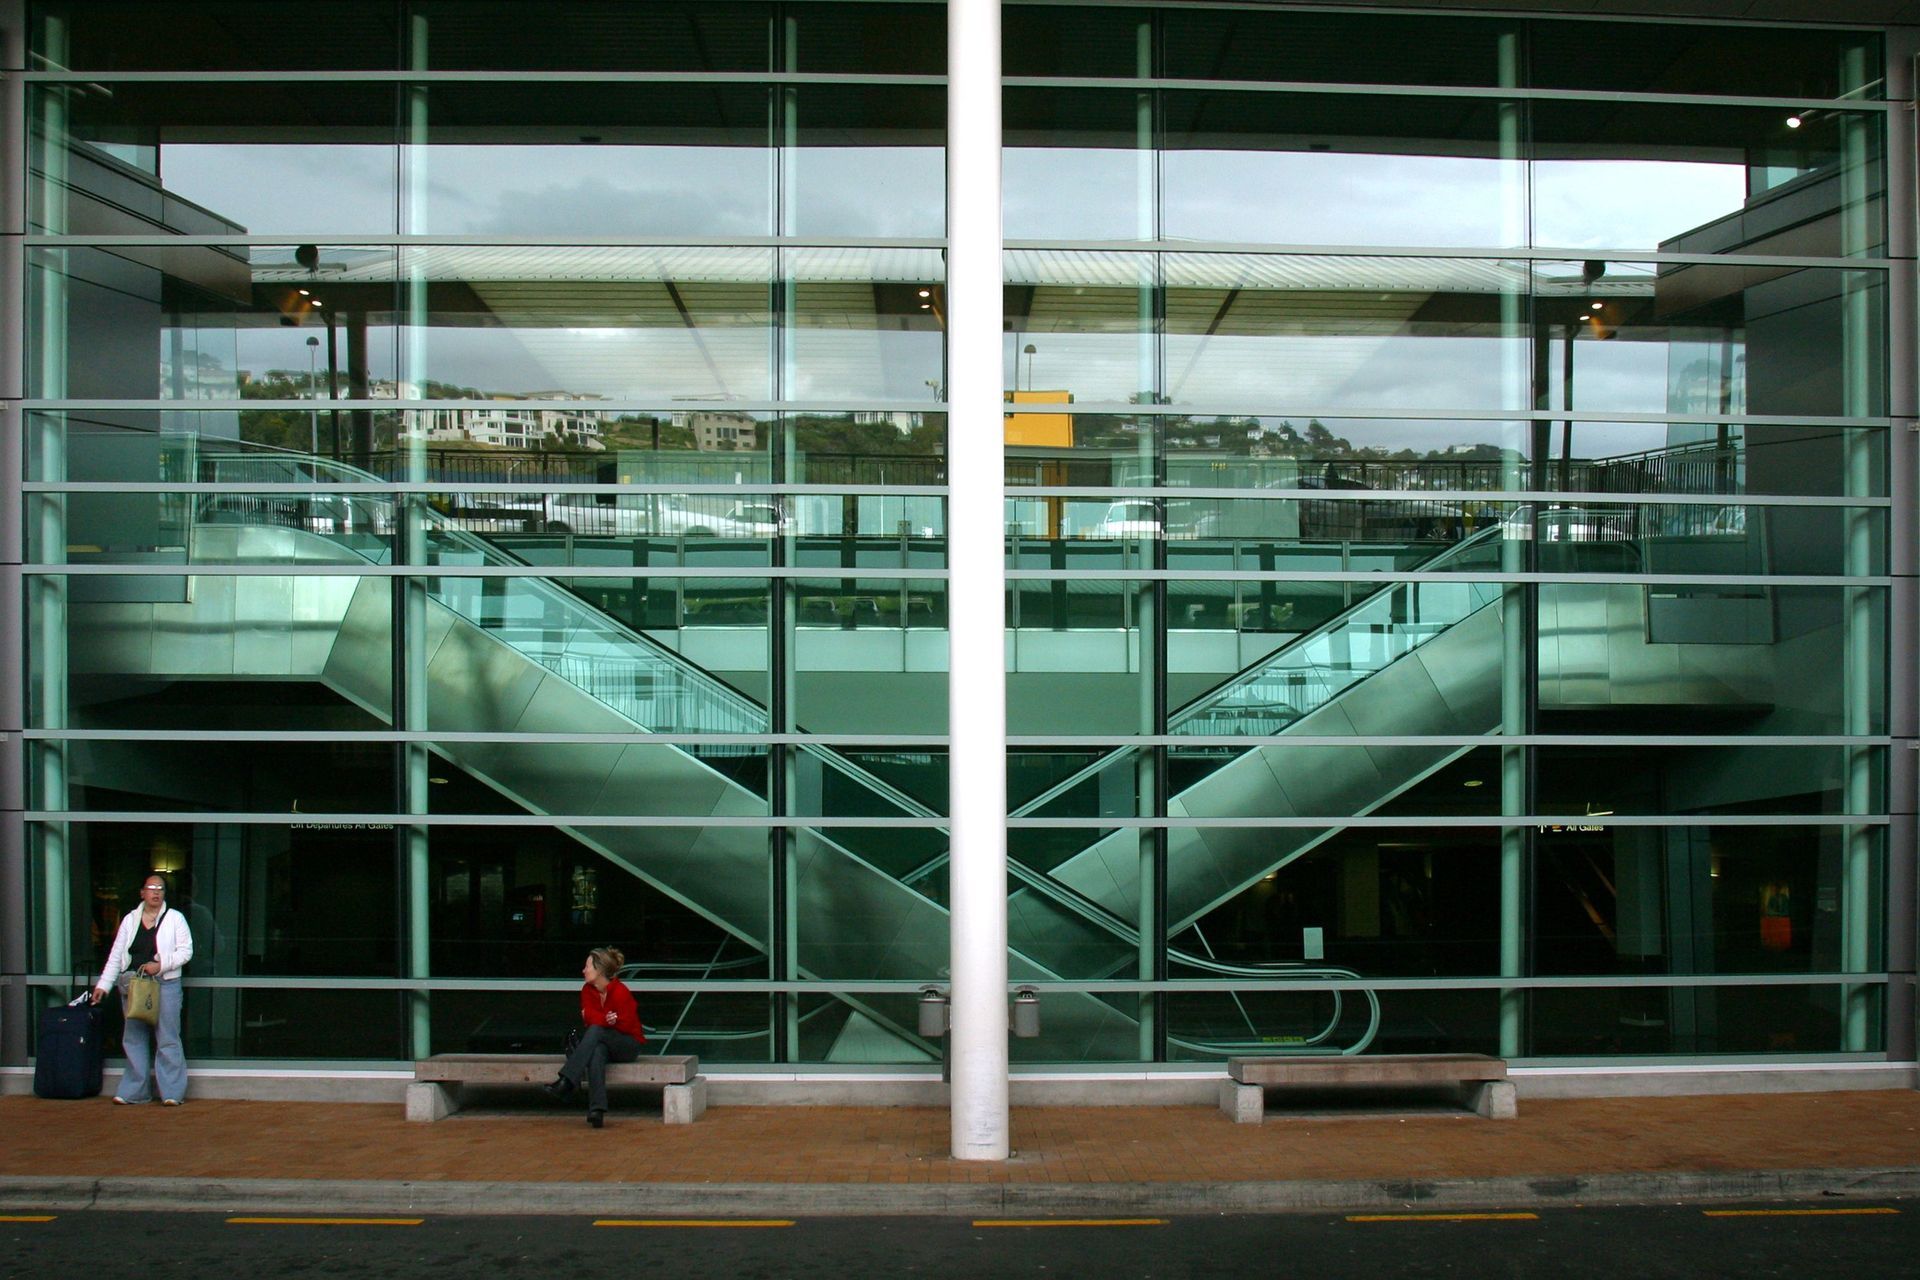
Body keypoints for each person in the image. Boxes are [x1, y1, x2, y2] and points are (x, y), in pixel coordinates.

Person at [90, 872, 194, 1106]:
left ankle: (171, 1093)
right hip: (134, 984)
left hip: (165, 983)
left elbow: (186, 952)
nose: (156, 892)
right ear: (142, 892)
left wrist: (161, 964)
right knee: (134, 1037)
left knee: (167, 1037)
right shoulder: (130, 919)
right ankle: (134, 1091)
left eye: (161, 888)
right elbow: (116, 956)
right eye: (152, 887)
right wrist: (104, 985)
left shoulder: (175, 918)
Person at [544, 947, 645, 1128]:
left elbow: (629, 1025)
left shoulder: (621, 991)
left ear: (599, 970)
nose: (584, 970)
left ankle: (567, 1081)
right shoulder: (587, 990)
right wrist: (608, 1020)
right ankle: (596, 1110)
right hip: (604, 1041)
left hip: (627, 1044)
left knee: (596, 1032)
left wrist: (611, 1021)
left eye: (587, 966)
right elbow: (590, 1019)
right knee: (596, 1051)